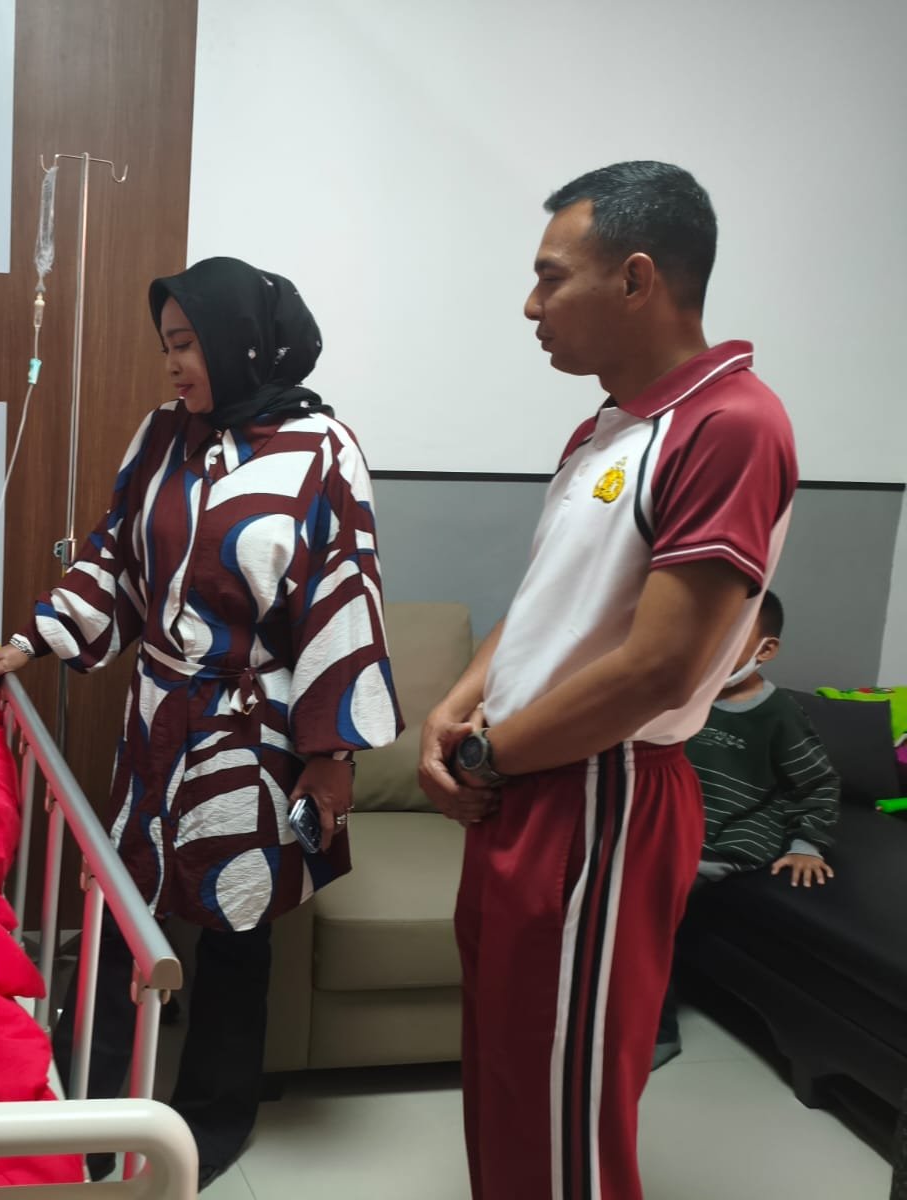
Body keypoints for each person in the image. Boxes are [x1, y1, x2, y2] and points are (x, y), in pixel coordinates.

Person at [417, 162, 798, 1200]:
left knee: (564, 1110)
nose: (530, 305)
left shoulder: (731, 423)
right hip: (531, 780)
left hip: (602, 791)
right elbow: (552, 601)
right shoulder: (603, 430)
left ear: (635, 279)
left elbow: (660, 668)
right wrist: (454, 706)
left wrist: (492, 752)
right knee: (507, 1076)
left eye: (551, 277)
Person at [0, 257, 401, 1188]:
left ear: (241, 342)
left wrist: (331, 757)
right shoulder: (164, 434)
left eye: (187, 345)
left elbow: (344, 599)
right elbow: (114, 557)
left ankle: (214, 1121)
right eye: (166, 345)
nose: (172, 364)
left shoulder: (323, 450)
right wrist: (35, 638)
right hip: (158, 716)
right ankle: (88, 1110)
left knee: (238, 930)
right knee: (124, 911)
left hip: (257, 731)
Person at [653, 589, 839, 1067]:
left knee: (647, 912)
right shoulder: (690, 697)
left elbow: (817, 783)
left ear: (765, 649)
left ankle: (658, 1032)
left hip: (726, 839)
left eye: (729, 636)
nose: (712, 646)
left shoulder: (779, 715)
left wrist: (807, 844)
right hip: (672, 827)